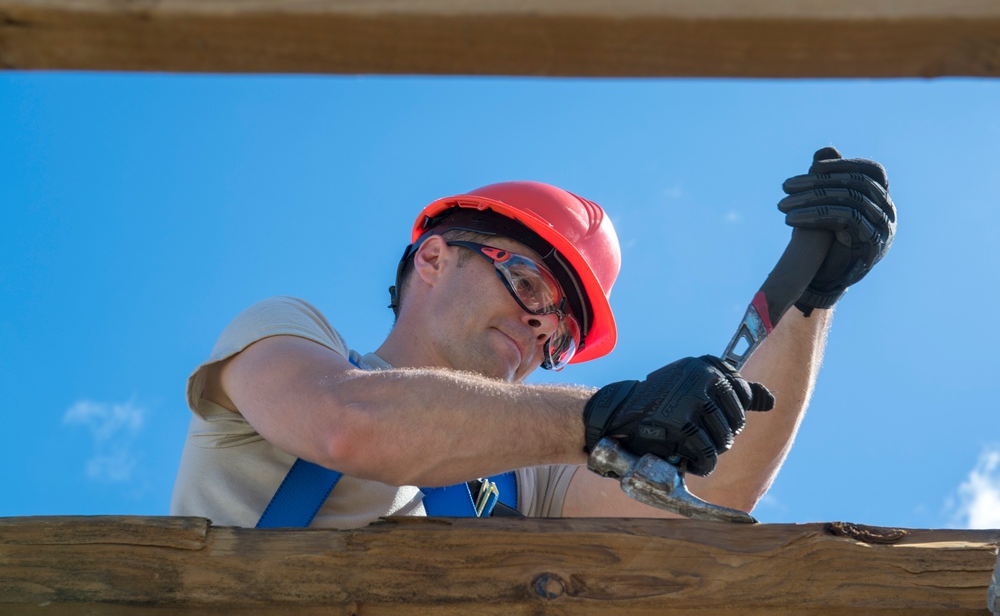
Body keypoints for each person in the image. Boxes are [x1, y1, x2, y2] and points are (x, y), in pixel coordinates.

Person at [170, 147, 895, 528]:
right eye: (528, 286)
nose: (542, 328)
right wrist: (598, 417)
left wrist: (811, 298)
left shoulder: (526, 479)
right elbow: (346, 423)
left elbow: (717, 489)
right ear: (432, 257)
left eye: (561, 334)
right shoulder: (286, 335)